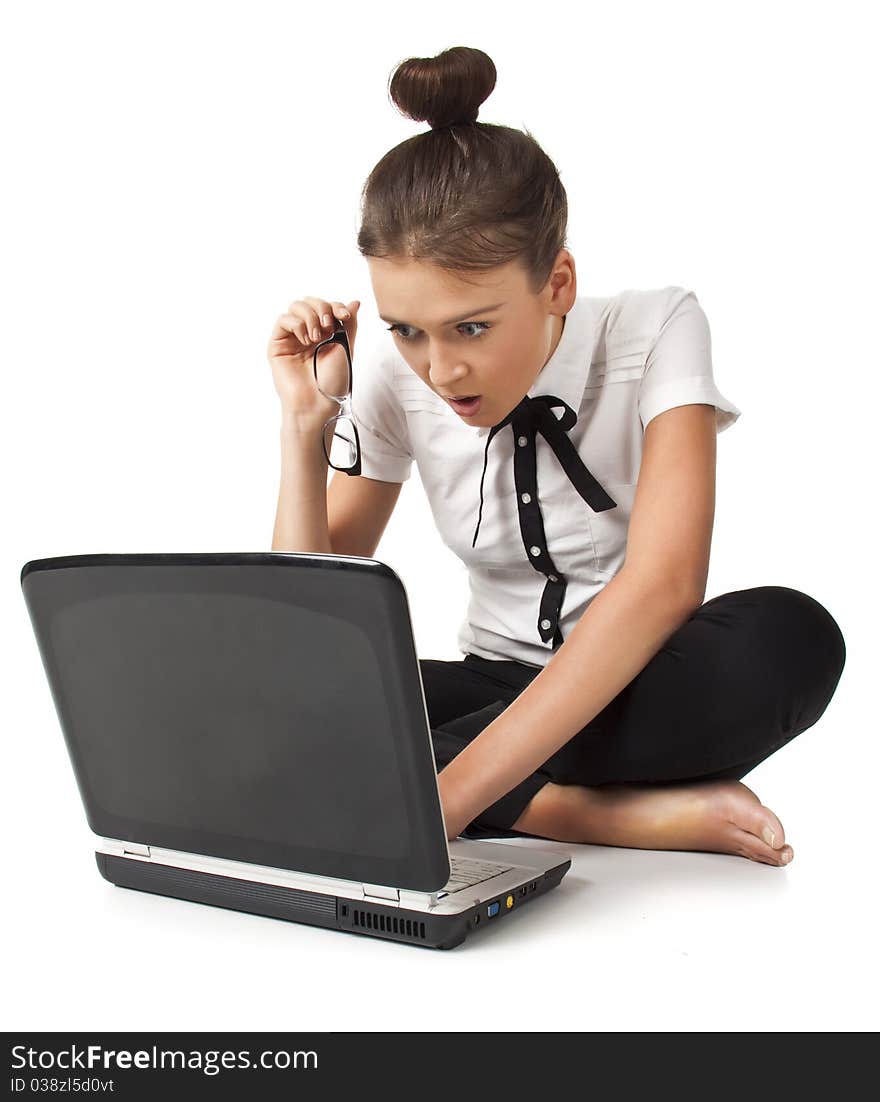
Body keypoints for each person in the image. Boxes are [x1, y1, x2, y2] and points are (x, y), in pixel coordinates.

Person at [267, 46, 846, 867]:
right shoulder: (395, 379)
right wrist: (305, 425)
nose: (440, 370)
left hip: (639, 688)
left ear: (560, 282)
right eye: (406, 330)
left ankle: (480, 784)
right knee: (275, 705)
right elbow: (305, 634)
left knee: (789, 639)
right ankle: (599, 815)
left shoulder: (655, 331)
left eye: (472, 326)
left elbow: (663, 587)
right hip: (491, 686)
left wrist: (443, 806)